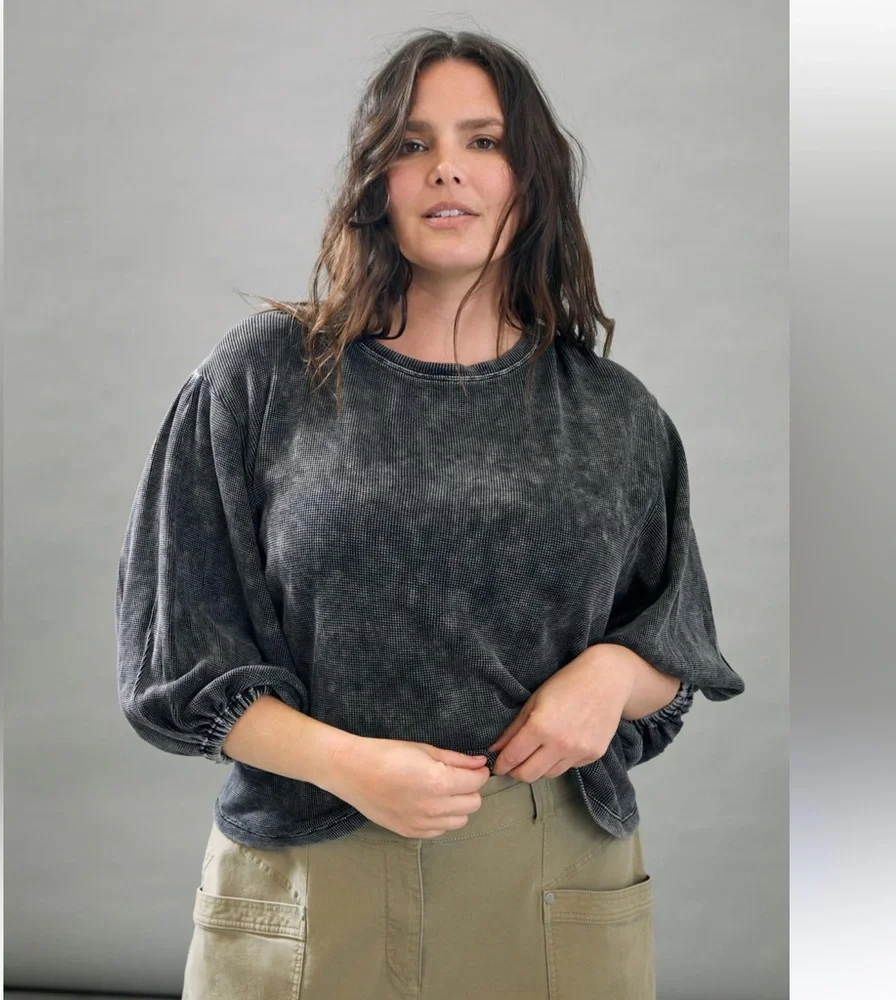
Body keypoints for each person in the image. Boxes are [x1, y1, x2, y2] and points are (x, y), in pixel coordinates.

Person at [115, 28, 745, 1000]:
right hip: (309, 874)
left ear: (530, 179)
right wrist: (347, 764)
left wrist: (616, 673)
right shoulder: (261, 378)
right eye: (412, 144)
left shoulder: (616, 414)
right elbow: (174, 662)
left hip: (550, 877)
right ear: (377, 183)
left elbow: (677, 650)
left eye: (483, 141)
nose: (446, 167)